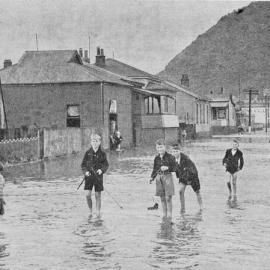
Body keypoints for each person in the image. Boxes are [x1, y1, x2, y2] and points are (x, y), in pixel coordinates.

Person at [81, 133, 109, 217]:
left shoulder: (103, 154)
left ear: (100, 142)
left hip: (98, 177)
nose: (94, 143)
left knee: (97, 195)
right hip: (89, 177)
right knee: (87, 195)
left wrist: (101, 170)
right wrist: (85, 172)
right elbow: (83, 165)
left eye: (96, 141)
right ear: (91, 142)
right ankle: (90, 211)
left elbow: (106, 165)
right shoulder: (87, 153)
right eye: (93, 141)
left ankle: (98, 213)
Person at [171, 144, 203, 213]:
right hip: (183, 176)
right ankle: (183, 208)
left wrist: (189, 179)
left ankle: (201, 207)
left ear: (179, 151)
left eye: (176, 151)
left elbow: (192, 169)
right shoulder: (173, 159)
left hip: (192, 176)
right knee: (180, 191)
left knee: (197, 191)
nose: (175, 153)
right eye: (173, 152)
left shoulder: (186, 158)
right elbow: (175, 168)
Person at [150, 139, 176, 221]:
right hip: (159, 177)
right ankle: (164, 215)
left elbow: (175, 168)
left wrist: (168, 168)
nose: (160, 149)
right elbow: (155, 169)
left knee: (168, 197)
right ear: (156, 148)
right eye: (158, 147)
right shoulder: (156, 158)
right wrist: (152, 177)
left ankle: (170, 215)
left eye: (161, 147)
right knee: (162, 197)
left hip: (168, 177)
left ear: (165, 147)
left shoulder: (171, 157)